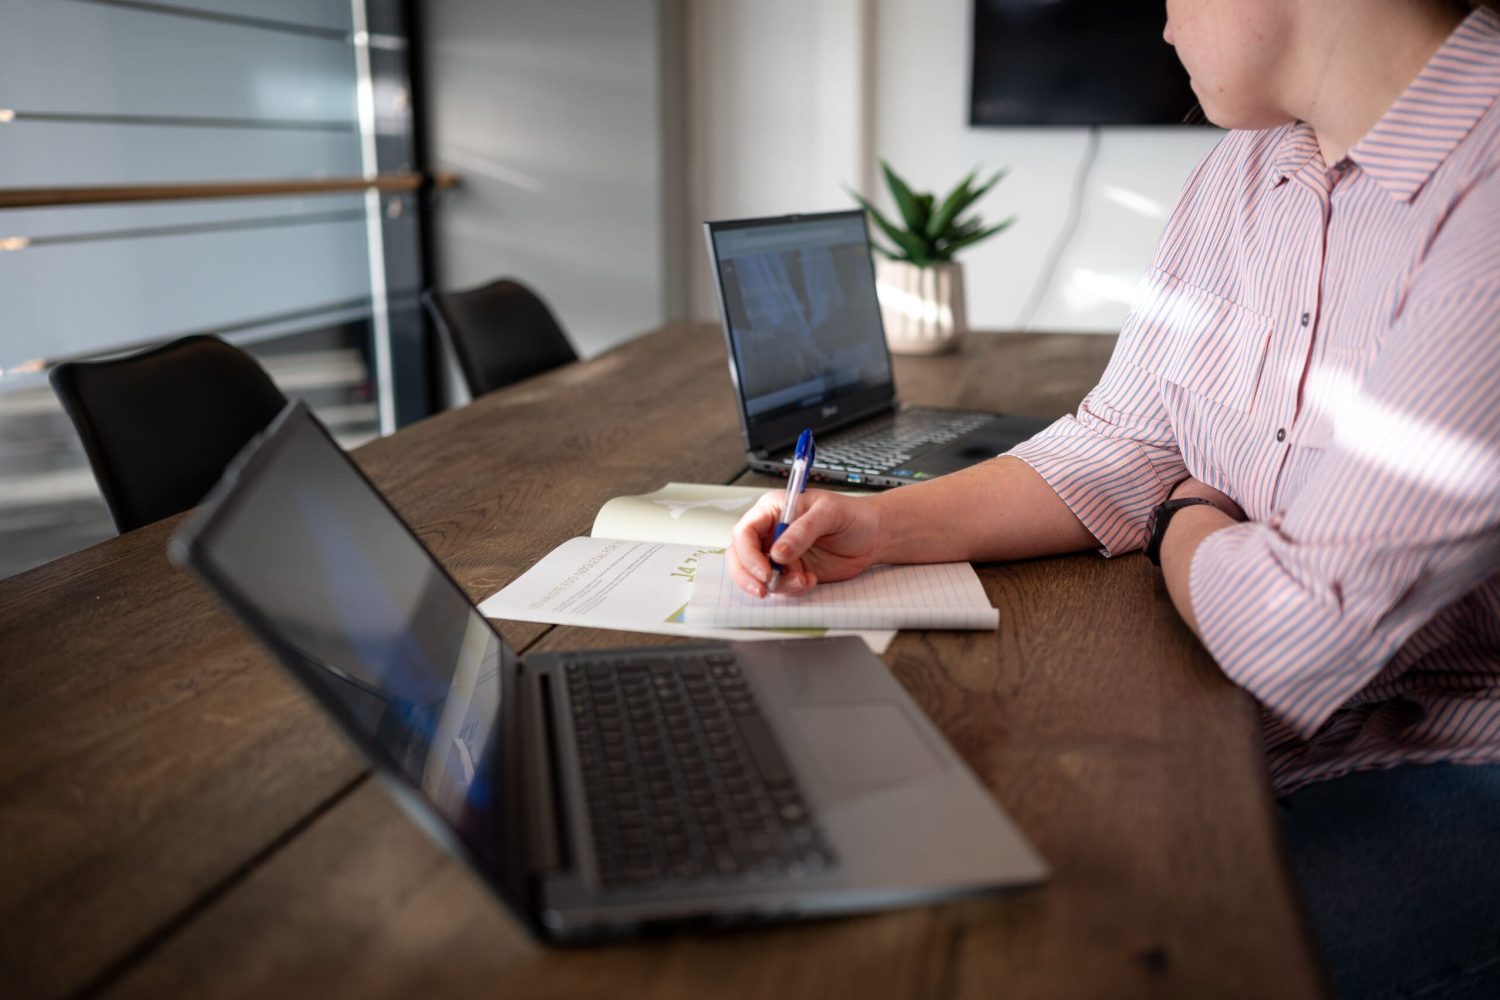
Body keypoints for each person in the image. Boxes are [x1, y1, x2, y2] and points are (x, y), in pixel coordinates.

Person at [726, 2, 1500, 996]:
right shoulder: (1244, 170)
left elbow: (1300, 629)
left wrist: (1184, 519)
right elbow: (1126, 437)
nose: (1162, 20)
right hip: (1252, 733)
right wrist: (878, 527)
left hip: (1458, 757)